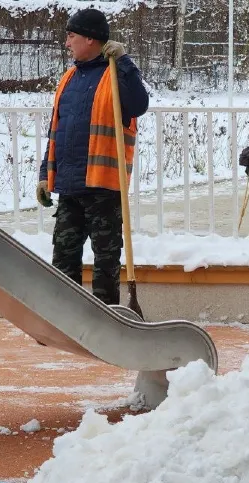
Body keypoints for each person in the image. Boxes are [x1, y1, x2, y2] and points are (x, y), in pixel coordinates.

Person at [36, 8, 149, 306]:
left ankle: (107, 318)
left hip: (104, 188)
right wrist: (44, 174)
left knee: (106, 261)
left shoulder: (115, 73)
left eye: (71, 36)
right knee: (63, 257)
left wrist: (123, 62)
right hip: (71, 187)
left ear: (90, 39)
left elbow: (138, 104)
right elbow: (56, 130)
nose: (67, 42)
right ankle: (68, 319)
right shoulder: (69, 78)